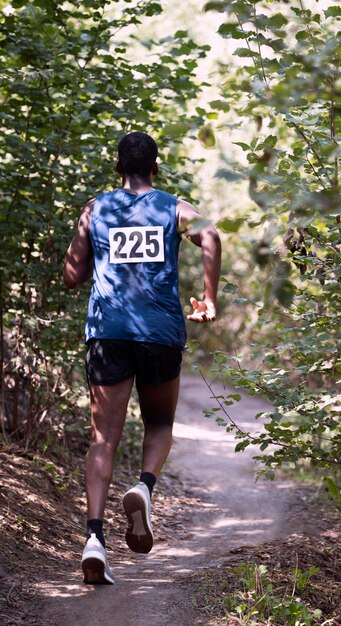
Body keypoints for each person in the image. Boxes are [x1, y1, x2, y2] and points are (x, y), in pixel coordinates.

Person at [63, 131, 221, 585]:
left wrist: (94, 252)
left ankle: (94, 539)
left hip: (108, 332)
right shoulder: (173, 208)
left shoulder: (95, 209)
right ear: (155, 167)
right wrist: (208, 298)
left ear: (118, 168)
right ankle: (144, 487)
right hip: (159, 333)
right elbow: (209, 233)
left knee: (102, 439)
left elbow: (73, 275)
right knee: (160, 424)